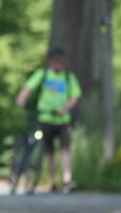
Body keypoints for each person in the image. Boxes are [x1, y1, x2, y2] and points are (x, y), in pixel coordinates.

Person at [15, 46, 82, 193]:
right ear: (50, 61)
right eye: (54, 60)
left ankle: (67, 180)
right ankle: (52, 181)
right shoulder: (43, 74)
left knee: (65, 149)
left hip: (62, 120)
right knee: (49, 151)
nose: (57, 63)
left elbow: (75, 96)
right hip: (45, 118)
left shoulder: (68, 76)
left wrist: (65, 108)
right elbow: (28, 87)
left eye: (59, 61)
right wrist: (22, 98)